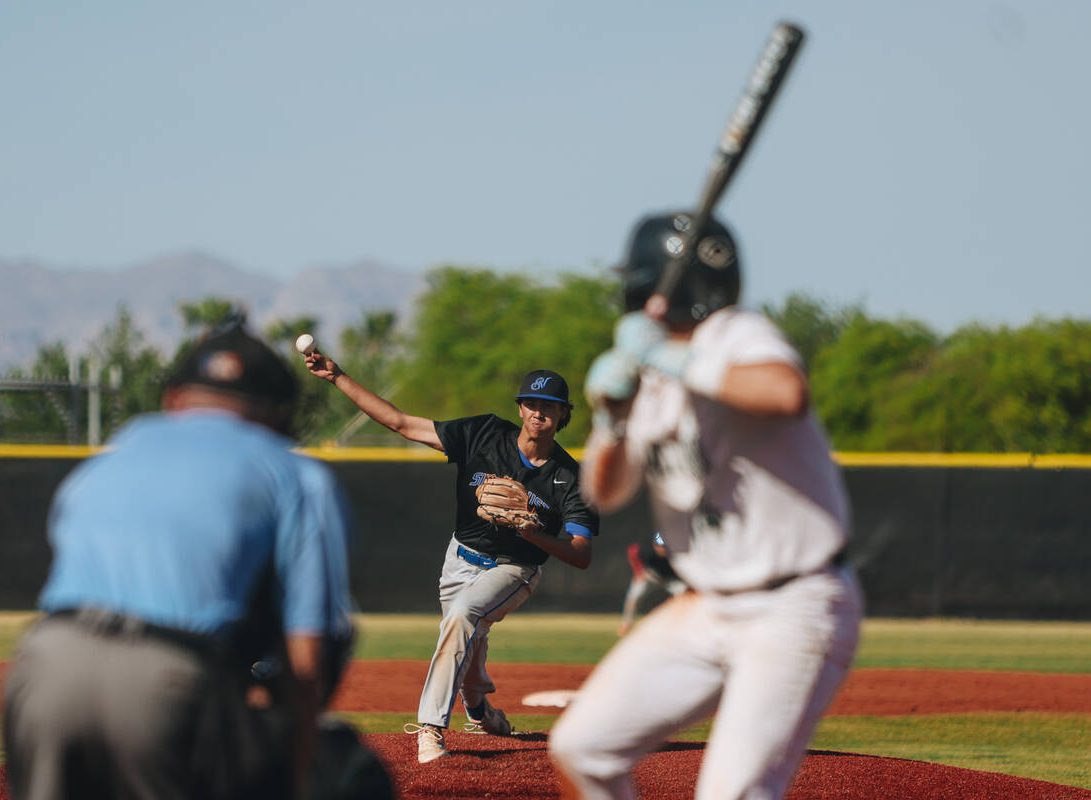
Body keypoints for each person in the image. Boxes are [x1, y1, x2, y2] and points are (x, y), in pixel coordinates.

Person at [549, 212, 864, 800]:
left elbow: (784, 392)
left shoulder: (734, 335)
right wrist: (611, 421)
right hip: (707, 605)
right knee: (581, 749)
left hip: (794, 604)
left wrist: (676, 361)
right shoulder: (647, 369)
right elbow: (605, 492)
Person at [1, 318, 355, 800]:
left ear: (174, 399)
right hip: (165, 678)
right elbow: (308, 656)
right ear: (278, 414)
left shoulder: (111, 456)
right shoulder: (296, 473)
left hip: (45, 663)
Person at [302, 352, 599, 764]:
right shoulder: (484, 434)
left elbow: (581, 555)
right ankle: (480, 708)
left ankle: (430, 728)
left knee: (462, 616)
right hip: (459, 559)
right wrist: (337, 377)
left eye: (549, 406)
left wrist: (535, 533)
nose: (538, 412)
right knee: (468, 642)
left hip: (516, 569)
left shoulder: (570, 477)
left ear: (564, 414)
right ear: (520, 407)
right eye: (532, 403)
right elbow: (401, 423)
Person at [617, 532, 687, 636]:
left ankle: (684, 626)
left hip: (670, 580)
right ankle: (627, 624)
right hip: (650, 576)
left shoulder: (676, 554)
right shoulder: (646, 551)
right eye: (660, 546)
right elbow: (632, 551)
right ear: (655, 545)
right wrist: (638, 571)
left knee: (687, 596)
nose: (662, 549)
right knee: (634, 597)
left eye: (665, 547)